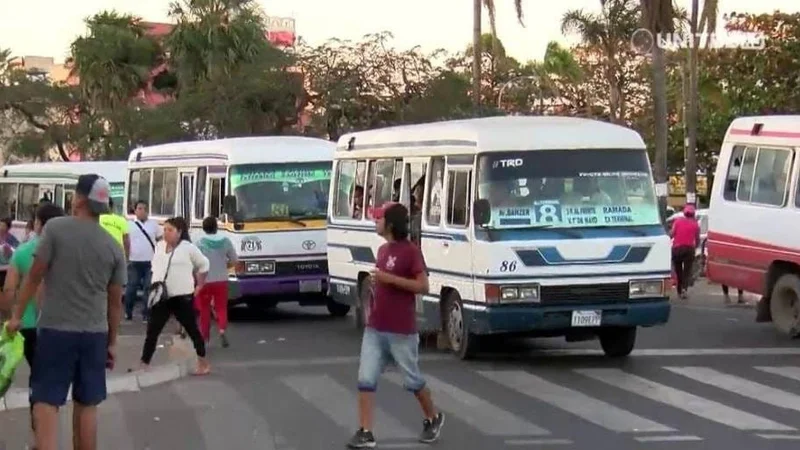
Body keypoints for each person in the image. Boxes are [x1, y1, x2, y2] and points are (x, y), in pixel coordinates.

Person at [6, 174, 126, 450]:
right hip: (94, 335)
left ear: (79, 199)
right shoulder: (113, 246)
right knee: (87, 404)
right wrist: (112, 343)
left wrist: (16, 316)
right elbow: (115, 302)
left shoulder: (56, 229)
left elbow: (35, 275)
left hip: (55, 330)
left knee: (47, 402)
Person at [348, 202, 444, 449]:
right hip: (375, 327)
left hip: (401, 330)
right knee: (365, 378)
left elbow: (423, 287)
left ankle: (432, 417)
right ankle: (366, 432)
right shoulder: (382, 250)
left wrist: (387, 279)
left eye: (379, 219)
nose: (375, 223)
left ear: (390, 224)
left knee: (412, 381)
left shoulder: (411, 252)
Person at [2, 203, 65, 447]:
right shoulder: (66, 252)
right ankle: (44, 434)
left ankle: (39, 435)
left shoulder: (22, 252)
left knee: (37, 381)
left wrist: (10, 317)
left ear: (38, 223)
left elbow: (9, 291)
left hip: (25, 326)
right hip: (60, 325)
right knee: (50, 379)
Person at [138, 216, 211, 375]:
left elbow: (204, 265)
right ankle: (144, 363)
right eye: (164, 229)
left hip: (182, 297)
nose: (166, 233)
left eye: (170, 230)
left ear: (179, 232)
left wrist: (199, 285)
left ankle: (203, 362)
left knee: (192, 330)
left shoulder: (188, 248)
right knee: (153, 330)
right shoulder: (159, 246)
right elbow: (155, 267)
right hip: (161, 296)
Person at [195, 216, 237, 347]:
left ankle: (205, 337)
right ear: (216, 227)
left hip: (205, 280)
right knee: (221, 307)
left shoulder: (200, 243)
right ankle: (222, 329)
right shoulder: (226, 242)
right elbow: (234, 260)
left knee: (204, 310)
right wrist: (225, 266)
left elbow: (195, 263)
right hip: (221, 280)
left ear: (204, 228)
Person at [125, 200, 162, 322]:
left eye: (144, 209)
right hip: (134, 261)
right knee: (131, 288)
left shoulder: (154, 225)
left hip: (149, 262)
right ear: (135, 211)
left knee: (148, 288)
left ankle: (146, 313)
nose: (142, 211)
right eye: (139, 208)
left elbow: (159, 239)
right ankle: (128, 312)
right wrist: (126, 256)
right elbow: (125, 241)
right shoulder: (129, 225)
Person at [670, 205, 701, 299]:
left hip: (677, 248)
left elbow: (672, 233)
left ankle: (679, 290)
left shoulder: (678, 221)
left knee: (678, 270)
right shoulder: (695, 225)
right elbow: (697, 239)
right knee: (687, 271)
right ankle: (684, 289)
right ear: (693, 214)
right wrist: (695, 247)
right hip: (689, 249)